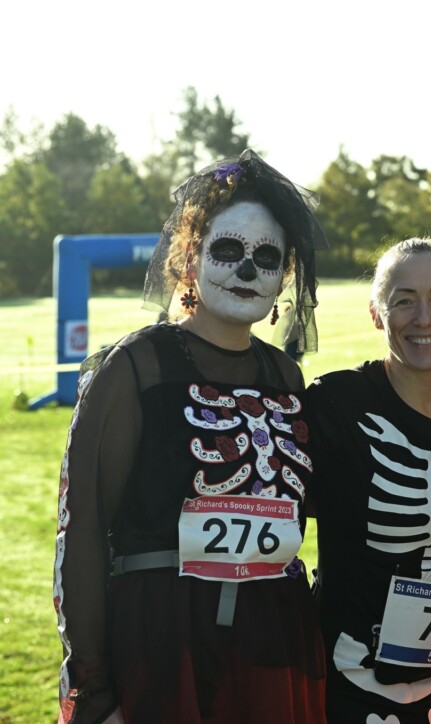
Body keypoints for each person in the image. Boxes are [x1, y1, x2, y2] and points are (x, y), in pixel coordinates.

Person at [53, 149, 329, 723]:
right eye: (228, 251)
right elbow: (80, 530)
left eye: (267, 257)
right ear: (190, 259)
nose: (247, 271)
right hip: (162, 642)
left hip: (274, 635)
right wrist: (94, 685)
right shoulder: (135, 367)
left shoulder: (286, 376)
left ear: (286, 276)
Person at [304, 238, 431, 723]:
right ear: (377, 314)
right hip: (345, 661)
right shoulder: (335, 403)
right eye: (403, 301)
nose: (424, 317)